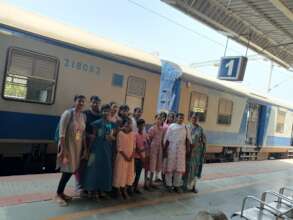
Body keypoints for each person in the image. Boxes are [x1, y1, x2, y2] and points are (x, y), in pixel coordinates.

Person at [55, 95, 87, 206]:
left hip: (76, 148)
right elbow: (62, 134)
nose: (81, 103)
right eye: (79, 101)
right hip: (67, 147)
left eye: (83, 102)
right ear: (75, 101)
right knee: (66, 171)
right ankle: (58, 194)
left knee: (71, 170)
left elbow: (82, 134)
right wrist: (63, 150)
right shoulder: (68, 114)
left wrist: (85, 149)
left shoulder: (82, 116)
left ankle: (61, 193)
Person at [81, 104, 116, 198]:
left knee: (105, 168)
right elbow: (93, 137)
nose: (106, 112)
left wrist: (111, 137)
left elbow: (111, 137)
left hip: (106, 149)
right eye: (104, 111)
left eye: (107, 111)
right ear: (101, 112)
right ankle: (92, 189)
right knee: (93, 168)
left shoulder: (110, 124)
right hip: (96, 149)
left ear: (110, 112)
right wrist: (88, 150)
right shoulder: (96, 123)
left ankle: (102, 189)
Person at [76, 96, 102, 193]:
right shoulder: (85, 114)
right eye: (94, 102)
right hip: (84, 145)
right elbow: (79, 130)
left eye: (97, 103)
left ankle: (88, 185)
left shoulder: (100, 115)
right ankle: (80, 185)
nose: (96, 104)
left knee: (91, 165)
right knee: (82, 165)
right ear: (90, 103)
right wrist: (81, 139)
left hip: (95, 146)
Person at [164, 113, 190, 193]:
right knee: (170, 168)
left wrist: (188, 149)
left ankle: (176, 186)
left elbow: (188, 139)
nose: (181, 119)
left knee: (179, 170)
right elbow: (166, 139)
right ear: (176, 118)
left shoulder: (186, 127)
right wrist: (165, 150)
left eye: (182, 118)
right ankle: (168, 185)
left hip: (181, 150)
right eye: (179, 117)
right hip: (172, 149)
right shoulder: (171, 126)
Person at [112, 118, 136, 199]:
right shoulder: (120, 133)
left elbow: (134, 146)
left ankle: (124, 190)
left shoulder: (133, 133)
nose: (128, 125)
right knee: (120, 173)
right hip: (122, 157)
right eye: (126, 123)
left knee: (127, 174)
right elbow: (119, 147)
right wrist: (126, 156)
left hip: (130, 157)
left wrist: (132, 155)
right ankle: (118, 190)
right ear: (123, 124)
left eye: (129, 123)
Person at [183, 113, 206, 193]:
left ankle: (193, 187)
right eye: (193, 118)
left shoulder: (200, 129)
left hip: (196, 154)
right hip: (188, 152)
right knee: (186, 169)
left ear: (198, 119)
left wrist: (203, 152)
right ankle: (184, 186)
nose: (194, 119)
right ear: (190, 118)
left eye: (196, 118)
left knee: (195, 170)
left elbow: (204, 141)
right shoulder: (186, 127)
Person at [147, 114, 164, 189]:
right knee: (152, 164)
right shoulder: (152, 128)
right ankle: (149, 182)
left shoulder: (162, 129)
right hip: (153, 148)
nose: (160, 120)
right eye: (158, 119)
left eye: (161, 119)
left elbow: (162, 139)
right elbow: (149, 139)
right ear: (155, 119)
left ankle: (152, 181)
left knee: (157, 164)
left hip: (159, 148)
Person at [132, 119, 147, 194]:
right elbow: (136, 147)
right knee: (133, 173)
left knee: (138, 173)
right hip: (136, 157)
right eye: (140, 125)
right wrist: (141, 155)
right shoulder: (135, 134)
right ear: (137, 126)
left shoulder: (144, 134)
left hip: (142, 156)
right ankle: (130, 187)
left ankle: (135, 187)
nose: (142, 127)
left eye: (143, 125)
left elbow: (145, 144)